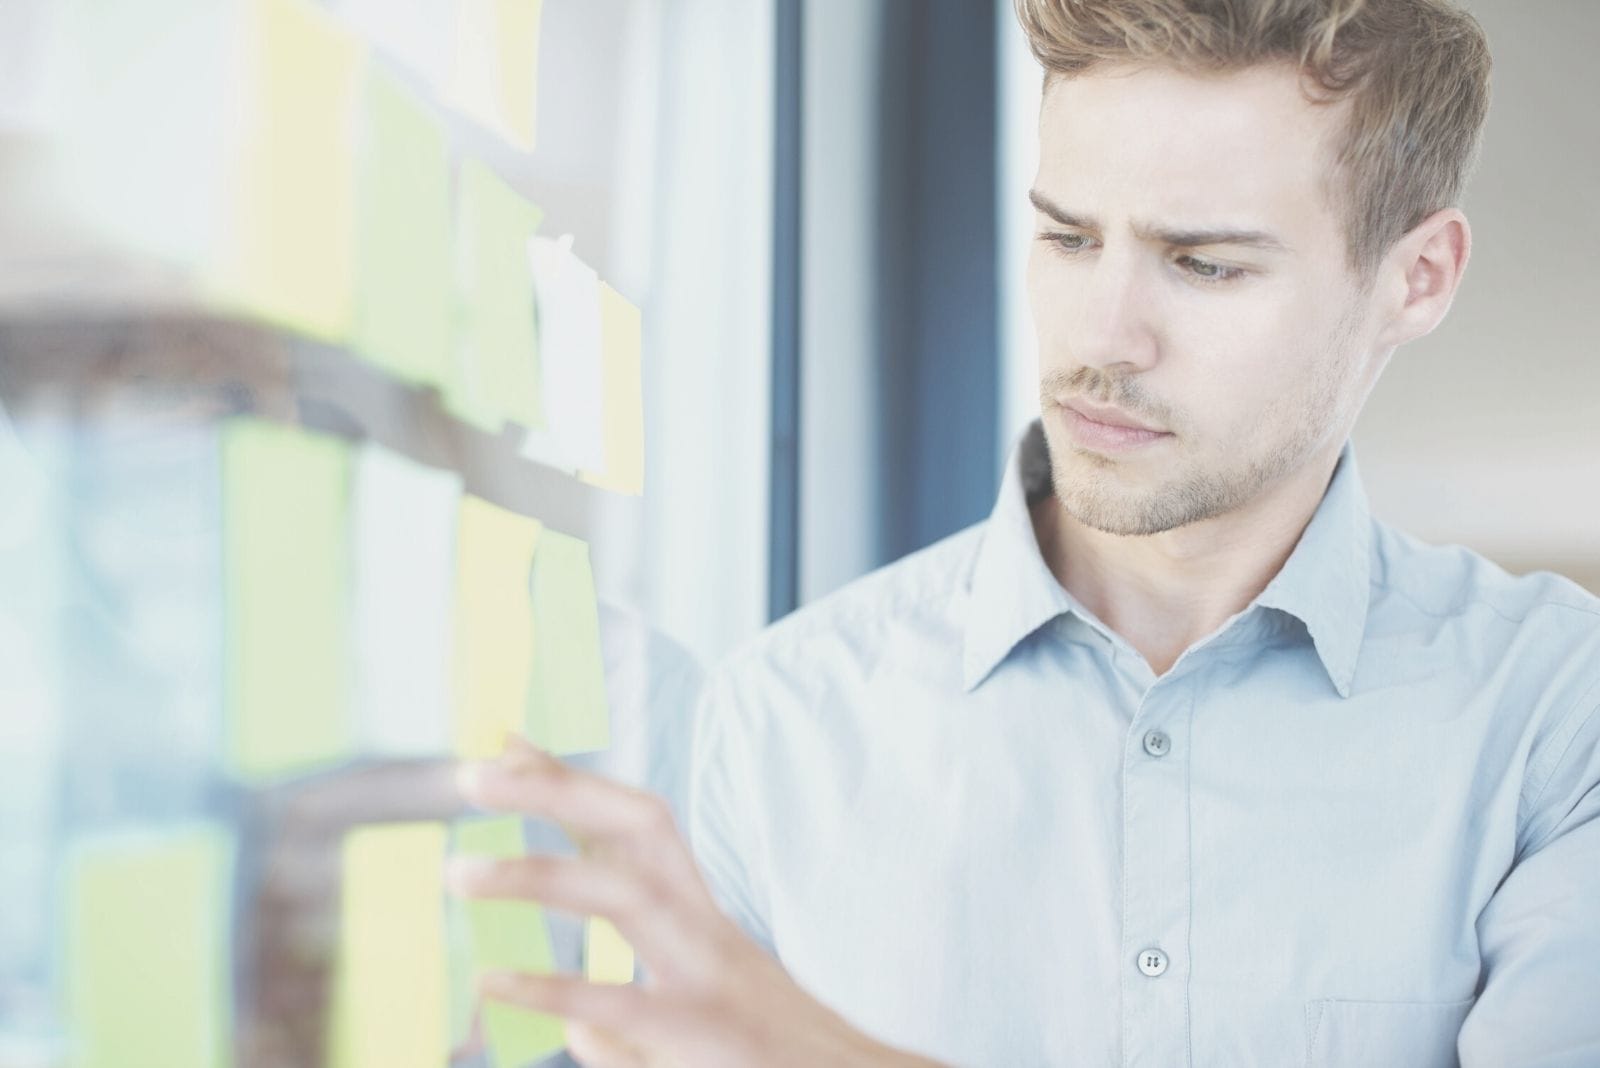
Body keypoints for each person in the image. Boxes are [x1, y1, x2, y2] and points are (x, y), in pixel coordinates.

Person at [447, 1, 1600, 1065]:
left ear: (1416, 278)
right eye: (1066, 238)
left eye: (1201, 263)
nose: (1104, 336)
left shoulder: (1554, 717)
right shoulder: (777, 728)